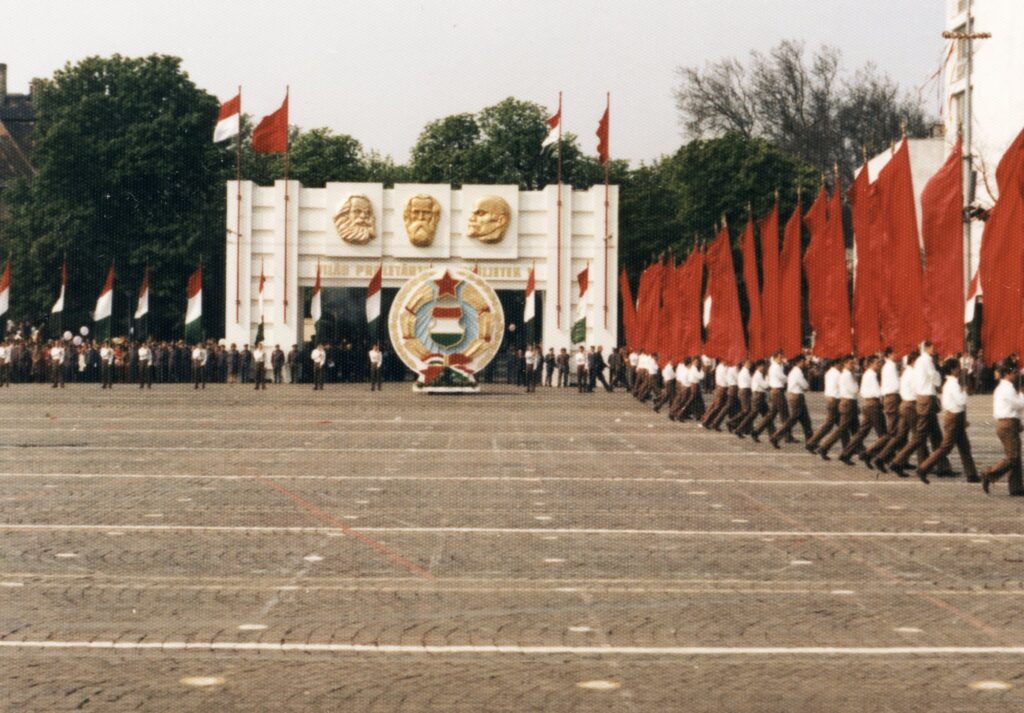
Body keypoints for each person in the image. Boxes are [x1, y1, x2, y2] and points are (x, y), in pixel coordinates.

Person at [917, 358, 977, 484]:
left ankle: (972, 474)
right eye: (958, 367)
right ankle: (923, 468)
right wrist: (965, 390)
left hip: (956, 417)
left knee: (964, 447)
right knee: (946, 447)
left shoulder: (950, 383)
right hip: (954, 418)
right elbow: (961, 401)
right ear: (953, 369)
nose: (959, 369)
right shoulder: (953, 384)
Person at [981, 361, 1024, 496]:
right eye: (1014, 373)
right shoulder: (1007, 389)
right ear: (1007, 374)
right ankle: (989, 473)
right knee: (1013, 457)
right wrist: (1022, 394)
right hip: (1008, 424)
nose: (1016, 375)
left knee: (1015, 455)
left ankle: (1016, 487)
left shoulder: (1003, 388)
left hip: (1007, 423)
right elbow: (1019, 404)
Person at [841, 354, 888, 466]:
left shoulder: (867, 374)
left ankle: (845, 454)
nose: (879, 365)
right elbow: (877, 392)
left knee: (861, 433)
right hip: (873, 404)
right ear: (871, 364)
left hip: (867, 404)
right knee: (884, 435)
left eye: (879, 363)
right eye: (877, 363)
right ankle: (869, 454)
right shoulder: (872, 375)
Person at [817, 355, 859, 461]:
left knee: (856, 429)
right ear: (845, 364)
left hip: (850, 402)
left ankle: (854, 449)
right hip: (848, 403)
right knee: (842, 429)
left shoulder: (847, 374)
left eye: (853, 363)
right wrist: (855, 379)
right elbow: (854, 389)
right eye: (851, 363)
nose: (853, 365)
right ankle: (824, 447)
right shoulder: (846, 375)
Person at [770, 353, 812, 448]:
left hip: (796, 396)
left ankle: (811, 442)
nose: (805, 363)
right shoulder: (797, 372)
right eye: (803, 361)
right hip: (797, 397)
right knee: (793, 420)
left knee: (806, 421)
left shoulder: (795, 371)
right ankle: (775, 437)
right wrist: (807, 385)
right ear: (799, 362)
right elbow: (805, 385)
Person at [806, 359, 842, 452]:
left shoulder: (829, 373)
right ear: (836, 363)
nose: (841, 365)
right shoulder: (837, 374)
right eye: (840, 363)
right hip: (835, 400)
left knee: (842, 426)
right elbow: (842, 387)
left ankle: (848, 446)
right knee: (830, 425)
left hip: (830, 398)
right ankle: (812, 443)